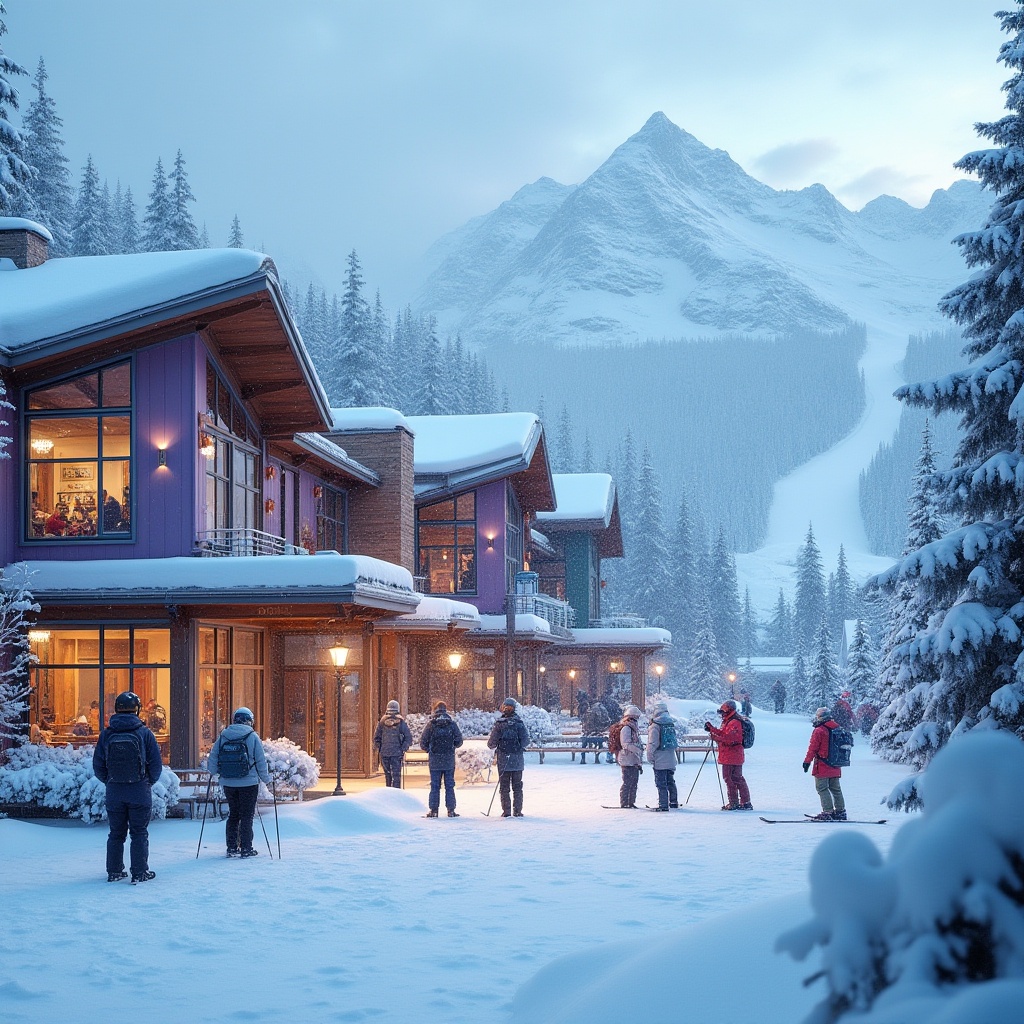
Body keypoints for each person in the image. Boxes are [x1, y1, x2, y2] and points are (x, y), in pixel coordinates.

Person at [92, 691, 163, 883]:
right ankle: (139, 872)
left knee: (116, 833)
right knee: (139, 832)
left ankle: (114, 871)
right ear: (137, 710)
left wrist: (110, 780)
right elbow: (156, 764)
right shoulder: (144, 733)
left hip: (115, 792)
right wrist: (146, 782)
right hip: (139, 791)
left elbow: (98, 765)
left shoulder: (107, 734)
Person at [207, 707, 272, 857]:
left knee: (234, 814)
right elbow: (261, 760)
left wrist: (215, 773)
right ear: (250, 721)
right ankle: (246, 848)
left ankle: (231, 847)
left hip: (229, 782)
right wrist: (266, 779)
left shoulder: (223, 736)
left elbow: (213, 757)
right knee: (247, 815)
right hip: (249, 783)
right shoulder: (252, 736)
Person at [705, 699, 753, 811]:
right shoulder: (730, 721)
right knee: (737, 778)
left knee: (730, 778)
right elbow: (725, 734)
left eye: (723, 712)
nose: (721, 714)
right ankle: (744, 802)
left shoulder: (734, 722)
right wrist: (712, 729)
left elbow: (730, 739)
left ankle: (734, 803)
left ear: (728, 710)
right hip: (733, 755)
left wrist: (714, 737)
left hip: (731, 755)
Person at [487, 697, 531, 817]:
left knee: (504, 787)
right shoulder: (519, 724)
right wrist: (518, 747)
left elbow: (491, 744)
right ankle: (517, 811)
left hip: (503, 760)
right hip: (517, 760)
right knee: (517, 787)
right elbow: (526, 741)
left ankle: (506, 811)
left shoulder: (499, 724)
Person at [419, 699, 464, 817]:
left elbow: (423, 742)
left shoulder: (431, 725)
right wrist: (451, 747)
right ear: (445, 710)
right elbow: (459, 741)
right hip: (448, 760)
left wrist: (431, 750)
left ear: (435, 710)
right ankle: (451, 810)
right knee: (449, 785)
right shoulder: (451, 724)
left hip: (435, 761)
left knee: (435, 786)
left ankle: (434, 810)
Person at [803, 706, 847, 821]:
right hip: (836, 764)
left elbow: (813, 748)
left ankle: (827, 811)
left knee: (822, 788)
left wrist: (807, 761)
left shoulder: (819, 730)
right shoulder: (837, 728)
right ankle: (840, 811)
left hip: (822, 764)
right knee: (835, 789)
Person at [373, 699, 413, 788]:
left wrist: (381, 748)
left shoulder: (382, 722)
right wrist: (403, 748)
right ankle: (396, 794)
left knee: (388, 776)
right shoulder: (401, 722)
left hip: (385, 753)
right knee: (396, 776)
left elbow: (376, 738)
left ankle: (388, 793)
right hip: (397, 753)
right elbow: (408, 737)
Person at [646, 701, 678, 811]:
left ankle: (663, 805)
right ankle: (673, 802)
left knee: (661, 783)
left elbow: (652, 743)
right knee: (670, 781)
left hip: (660, 758)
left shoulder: (655, 725)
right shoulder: (670, 723)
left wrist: (649, 756)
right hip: (670, 757)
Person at [615, 705, 645, 808]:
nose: (636, 720)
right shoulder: (626, 728)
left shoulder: (633, 729)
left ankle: (631, 802)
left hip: (634, 759)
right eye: (635, 718)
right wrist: (638, 749)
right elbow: (625, 744)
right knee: (627, 782)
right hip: (626, 759)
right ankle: (624, 802)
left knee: (634, 782)